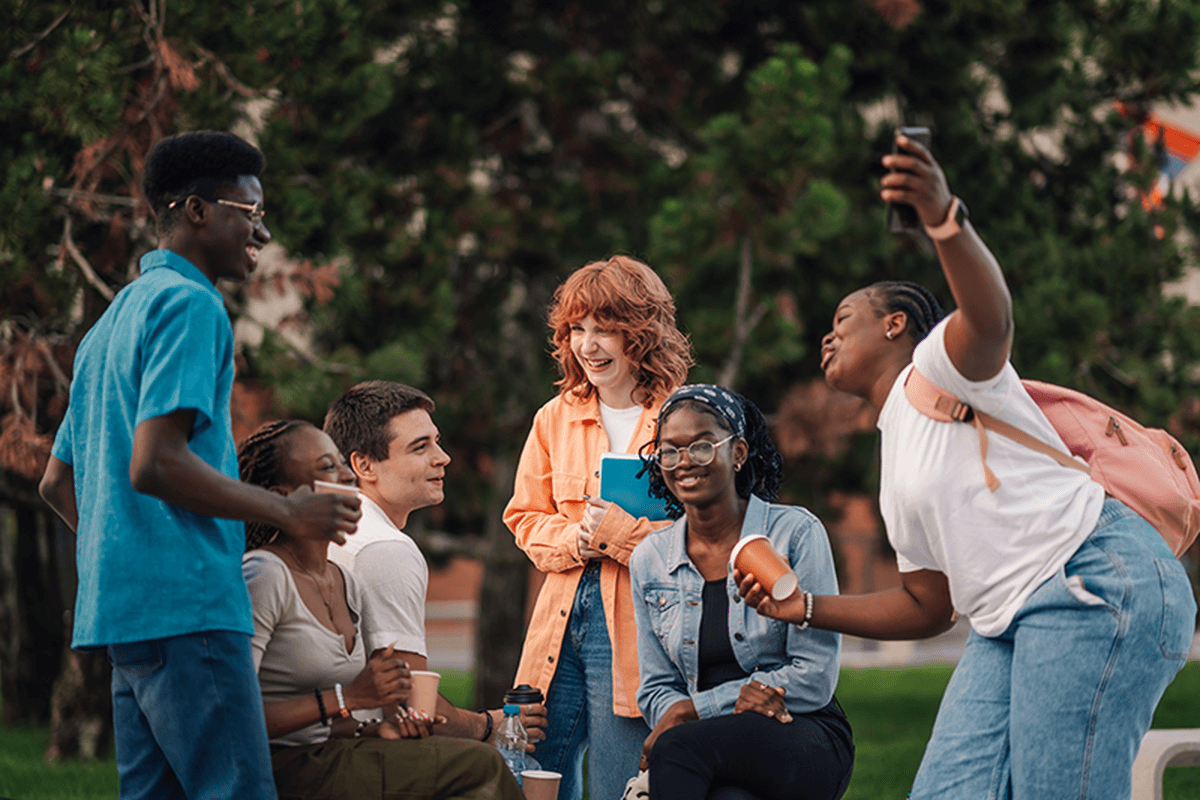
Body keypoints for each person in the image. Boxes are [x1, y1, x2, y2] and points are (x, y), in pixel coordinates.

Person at [737, 132, 1198, 799]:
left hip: (1092, 580)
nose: (826, 335)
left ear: (897, 325)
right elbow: (929, 605)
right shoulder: (897, 459)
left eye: (845, 318)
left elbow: (991, 318)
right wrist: (804, 607)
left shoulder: (941, 366)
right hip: (1004, 621)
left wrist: (942, 218)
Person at [38, 131, 361, 800]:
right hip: (190, 610)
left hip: (124, 619)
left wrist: (124, 556)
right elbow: (156, 464)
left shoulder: (108, 326)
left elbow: (56, 480)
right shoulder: (191, 305)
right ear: (196, 211)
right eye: (250, 212)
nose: (262, 232)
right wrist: (286, 509)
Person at [237, 419, 524, 800]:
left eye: (342, 464)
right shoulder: (265, 574)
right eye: (327, 469)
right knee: (481, 768)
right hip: (282, 767)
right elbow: (234, 714)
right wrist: (348, 698)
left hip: (332, 753)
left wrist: (370, 729)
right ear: (282, 496)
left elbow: (330, 725)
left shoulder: (343, 580)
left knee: (471, 765)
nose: (347, 477)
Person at [504, 255, 693, 800]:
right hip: (557, 623)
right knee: (525, 774)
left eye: (605, 329)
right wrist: (575, 539)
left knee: (620, 785)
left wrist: (618, 536)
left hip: (640, 628)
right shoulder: (553, 417)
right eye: (577, 329)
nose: (588, 345)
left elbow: (703, 540)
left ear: (642, 332)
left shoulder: (684, 418)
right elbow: (523, 516)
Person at [629, 385, 854, 800]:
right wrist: (700, 711)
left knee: (675, 748)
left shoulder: (794, 534)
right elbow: (656, 687)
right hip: (704, 744)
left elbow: (816, 674)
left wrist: (692, 710)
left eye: (701, 447)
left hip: (800, 730)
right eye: (669, 451)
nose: (684, 463)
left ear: (738, 452)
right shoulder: (649, 560)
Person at [321, 381, 548, 747]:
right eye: (420, 447)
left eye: (436, 441)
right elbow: (411, 703)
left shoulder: (332, 528)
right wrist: (489, 726)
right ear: (364, 464)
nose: (442, 457)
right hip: (353, 752)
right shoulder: (384, 547)